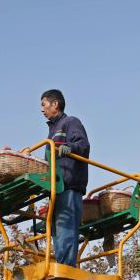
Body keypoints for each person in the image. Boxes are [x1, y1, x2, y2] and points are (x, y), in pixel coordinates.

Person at [40, 89, 90, 267]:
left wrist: (71, 147)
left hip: (69, 185)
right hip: (55, 187)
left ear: (55, 104)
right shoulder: (51, 132)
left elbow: (83, 145)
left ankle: (67, 266)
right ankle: (60, 264)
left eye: (44, 104)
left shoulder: (70, 122)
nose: (42, 109)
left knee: (66, 228)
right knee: (56, 230)